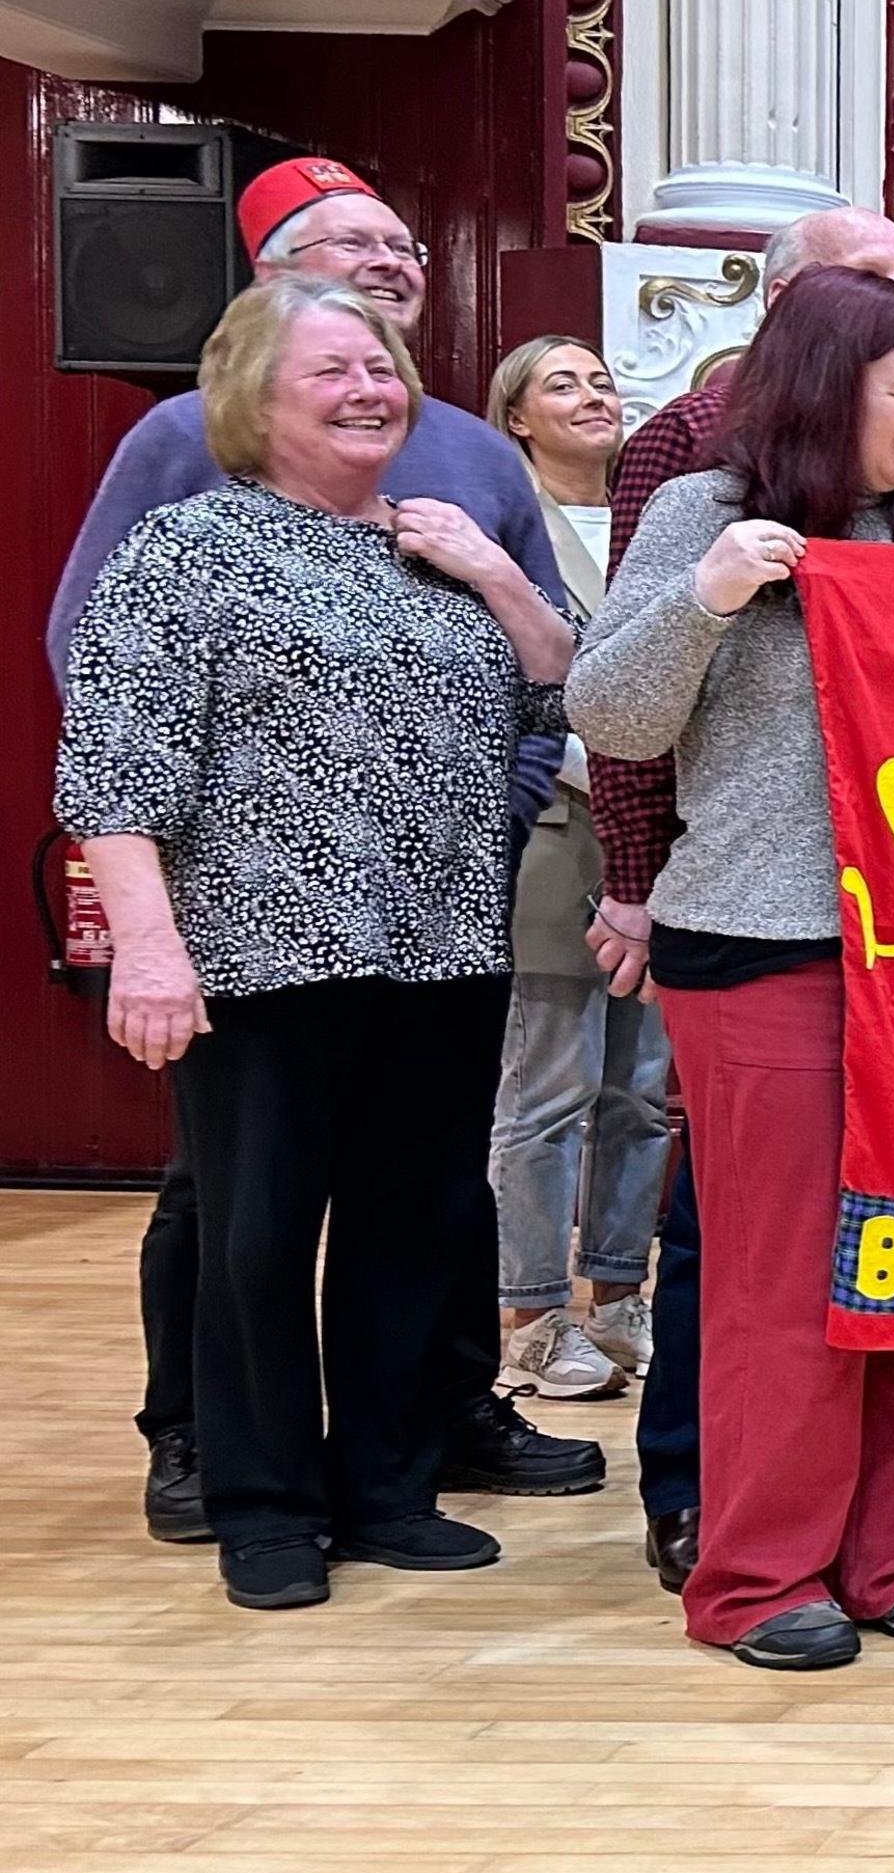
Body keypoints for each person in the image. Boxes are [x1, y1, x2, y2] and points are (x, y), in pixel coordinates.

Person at [51, 158, 595, 1545]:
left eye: (384, 371)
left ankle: (388, 1487)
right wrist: (149, 951)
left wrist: (491, 570)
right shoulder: (187, 549)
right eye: (337, 371)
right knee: (255, 1238)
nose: (372, 390)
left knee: (410, 1230)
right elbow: (112, 766)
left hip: (440, 948)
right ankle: (262, 1501)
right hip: (261, 955)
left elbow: (564, 694)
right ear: (255, 400)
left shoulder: (439, 539)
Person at [570, 268, 894, 1670]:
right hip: (762, 941)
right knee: (781, 1277)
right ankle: (759, 1575)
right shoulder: (705, 511)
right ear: (827, 388)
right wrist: (704, 596)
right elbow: (610, 713)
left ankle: (891, 1553)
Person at [479, 335, 669, 1403]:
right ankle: (532, 1314)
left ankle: (618, 1292)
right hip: (556, 830)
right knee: (549, 1087)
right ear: (517, 418)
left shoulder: (653, 517)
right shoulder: (508, 528)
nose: (593, 396)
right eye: (564, 384)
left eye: (602, 381)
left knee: (640, 1090)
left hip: (657, 837)